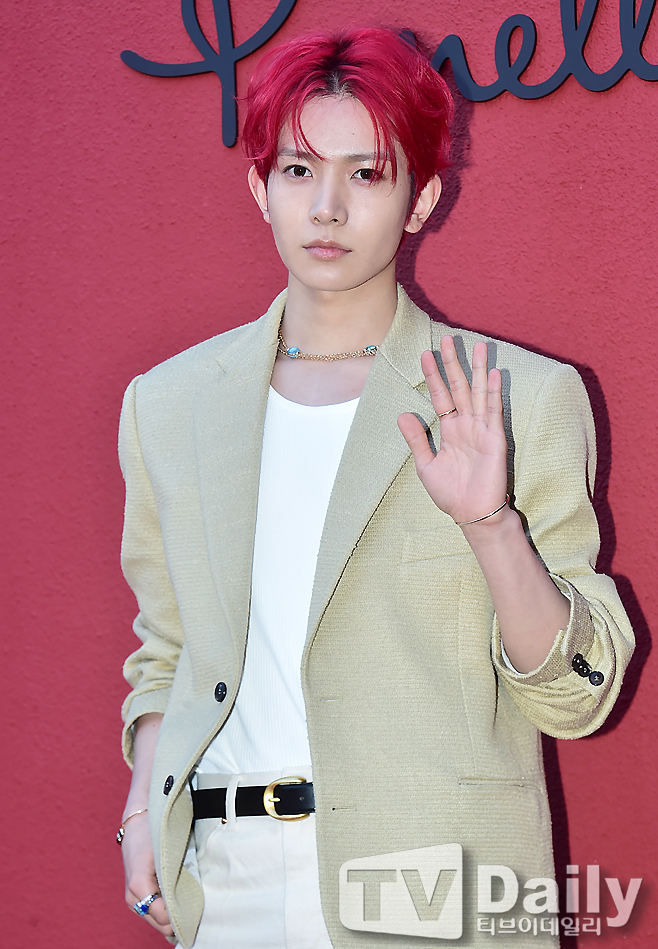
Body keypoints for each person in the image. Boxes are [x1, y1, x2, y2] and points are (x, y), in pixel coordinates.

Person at [116, 27, 634, 949]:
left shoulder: (514, 397)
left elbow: (578, 696)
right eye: (298, 170)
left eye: (366, 174)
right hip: (225, 886)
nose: (326, 207)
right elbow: (168, 648)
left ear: (420, 197)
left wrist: (491, 523)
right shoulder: (169, 404)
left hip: (435, 887)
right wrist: (138, 813)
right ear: (260, 188)